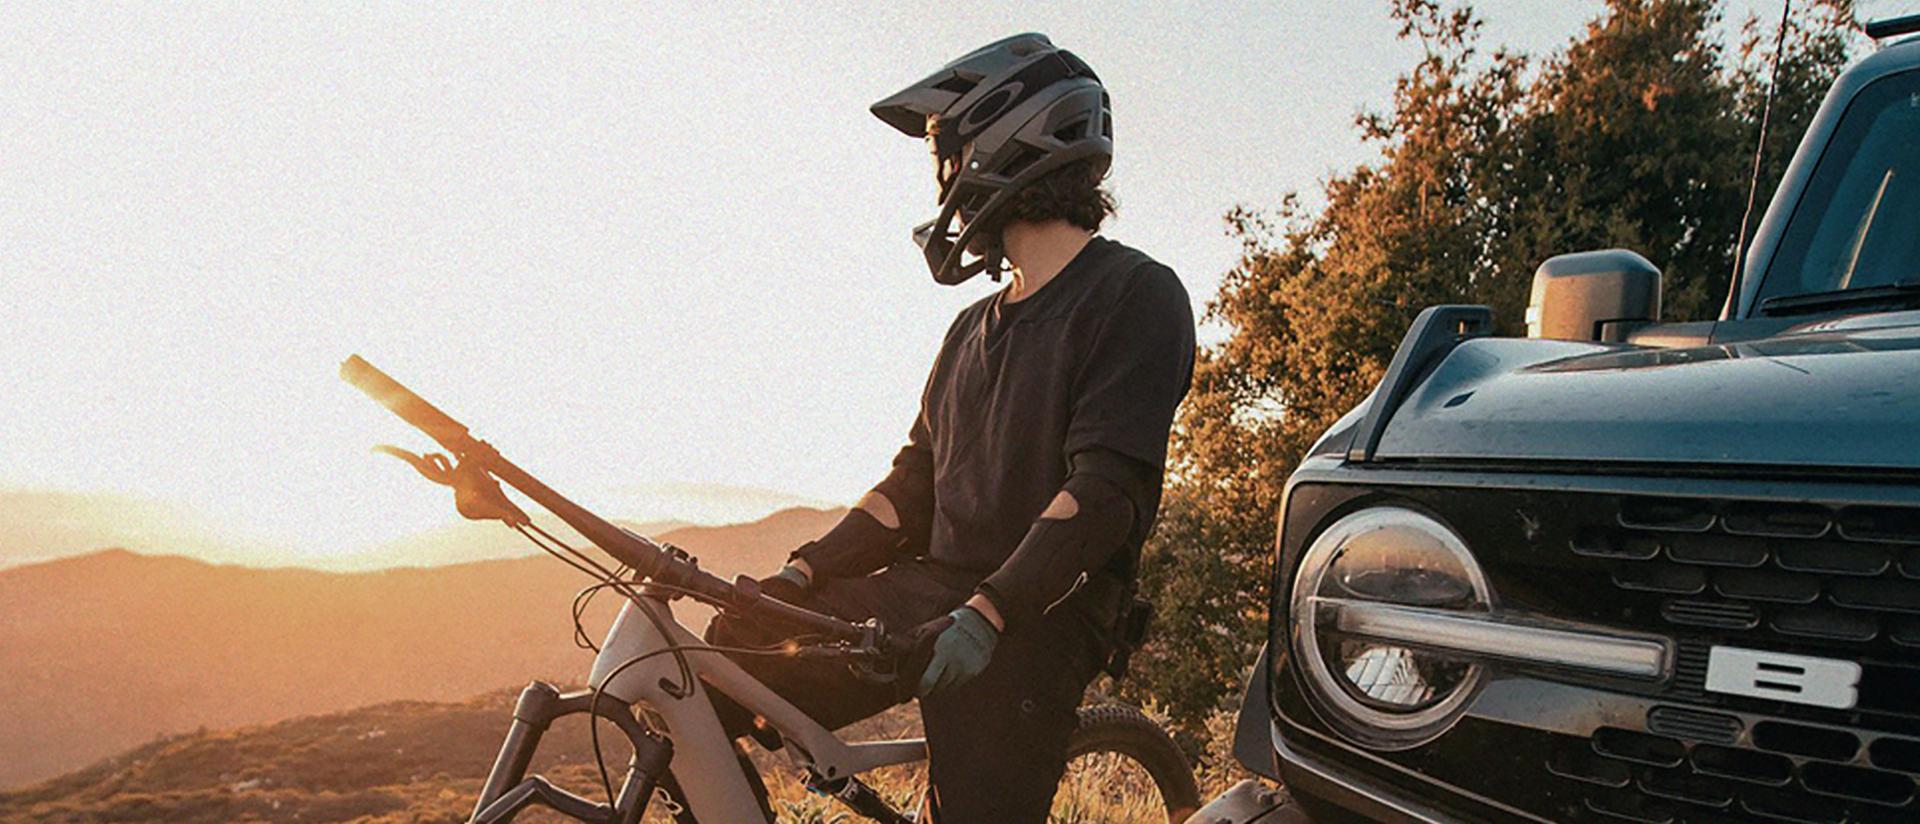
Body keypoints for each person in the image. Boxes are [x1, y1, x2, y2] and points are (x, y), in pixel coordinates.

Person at [707, 32, 1195, 822]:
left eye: (950, 154)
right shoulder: (971, 327)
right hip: (935, 590)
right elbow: (915, 484)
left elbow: (1106, 493)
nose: (943, 181)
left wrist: (990, 613)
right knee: (718, 662)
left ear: (1011, 141)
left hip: (1038, 616)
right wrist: (805, 571)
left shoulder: (1136, 295)